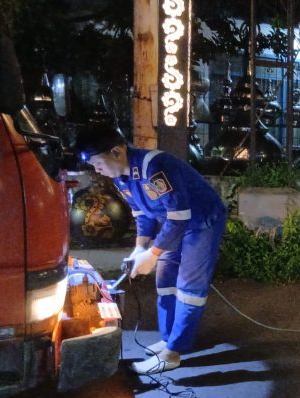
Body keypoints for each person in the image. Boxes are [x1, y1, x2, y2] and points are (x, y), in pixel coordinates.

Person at [73, 124, 227, 375]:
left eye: (98, 163)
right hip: (174, 224)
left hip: (202, 222)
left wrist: (153, 253)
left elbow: (180, 215)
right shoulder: (122, 178)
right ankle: (168, 339)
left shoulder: (153, 167)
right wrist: (139, 249)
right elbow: (142, 214)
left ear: (116, 151)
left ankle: (173, 353)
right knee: (165, 280)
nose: (96, 169)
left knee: (189, 288)